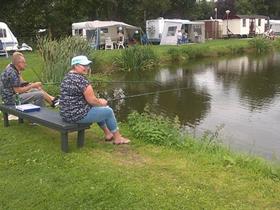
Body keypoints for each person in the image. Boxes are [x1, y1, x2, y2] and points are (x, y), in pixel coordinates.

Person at [59, 55, 130, 145]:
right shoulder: (81, 80)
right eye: (84, 66)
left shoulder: (67, 77)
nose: (87, 68)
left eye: (88, 65)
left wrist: (98, 103)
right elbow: (92, 100)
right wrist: (101, 102)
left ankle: (108, 134)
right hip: (76, 116)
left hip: (65, 114)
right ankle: (118, 138)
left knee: (98, 109)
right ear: (75, 66)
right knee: (108, 111)